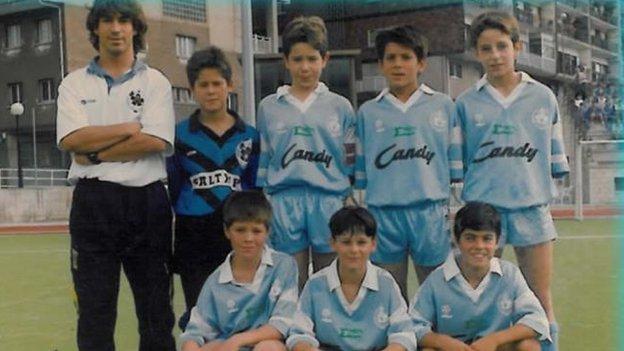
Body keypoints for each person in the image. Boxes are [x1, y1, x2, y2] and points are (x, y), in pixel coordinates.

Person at [55, 0, 175, 349]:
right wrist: (128, 127)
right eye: (106, 20)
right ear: (95, 29)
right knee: (94, 312)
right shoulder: (74, 83)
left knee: (155, 312)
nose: (116, 28)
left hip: (146, 203)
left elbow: (155, 140)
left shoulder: (156, 82)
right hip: (93, 204)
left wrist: (94, 152)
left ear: (136, 27)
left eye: (124, 20)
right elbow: (70, 139)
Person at [455, 11, 569, 351]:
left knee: (538, 297)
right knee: (479, 299)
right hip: (482, 213)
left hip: (531, 208)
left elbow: (554, 162)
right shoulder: (466, 103)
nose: (495, 55)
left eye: (502, 46)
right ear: (476, 53)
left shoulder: (543, 97)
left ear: (516, 47)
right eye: (486, 48)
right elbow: (459, 162)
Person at [354, 25, 462, 296]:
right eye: (390, 58)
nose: (398, 64)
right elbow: (361, 170)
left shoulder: (443, 106)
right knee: (390, 297)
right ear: (380, 64)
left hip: (430, 213)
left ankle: (435, 339)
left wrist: (455, 204)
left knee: (437, 293)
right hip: (384, 215)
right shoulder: (368, 112)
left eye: (406, 57)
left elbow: (455, 164)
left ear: (421, 63)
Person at [255, 16, 356, 290]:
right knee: (291, 283)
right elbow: (265, 156)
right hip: (284, 201)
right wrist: (263, 195)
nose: (305, 67)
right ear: (286, 61)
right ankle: (292, 333)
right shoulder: (269, 106)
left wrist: (349, 193)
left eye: (312, 59)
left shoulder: (341, 106)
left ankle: (327, 333)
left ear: (325, 59)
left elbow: (350, 158)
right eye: (297, 59)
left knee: (331, 283)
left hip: (329, 201)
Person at [167, 46, 260, 330]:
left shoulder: (249, 136)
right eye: (203, 85)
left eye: (217, 83)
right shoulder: (179, 135)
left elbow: (254, 187)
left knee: (241, 308)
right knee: (199, 311)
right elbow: (173, 185)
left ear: (229, 85)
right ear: (192, 88)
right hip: (193, 232)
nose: (211, 91)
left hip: (236, 232)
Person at [410, 202, 550, 351]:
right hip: (453, 348)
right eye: (470, 238)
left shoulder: (510, 275)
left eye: (487, 239)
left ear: (497, 242)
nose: (479, 246)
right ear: (457, 240)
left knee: (529, 346)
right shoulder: (437, 280)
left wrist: (495, 340)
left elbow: (537, 320)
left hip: (493, 347)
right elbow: (413, 324)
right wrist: (444, 342)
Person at [180, 190, 298, 351]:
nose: (248, 238)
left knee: (267, 347)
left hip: (268, 343)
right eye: (240, 230)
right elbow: (196, 332)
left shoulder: (284, 266)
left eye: (256, 231)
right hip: (227, 346)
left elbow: (281, 324)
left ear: (267, 231)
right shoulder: (215, 281)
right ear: (227, 231)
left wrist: (237, 340)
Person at [287, 206, 416, 351]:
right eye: (346, 242)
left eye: (361, 242)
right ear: (333, 243)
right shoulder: (315, 284)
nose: (354, 250)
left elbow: (404, 334)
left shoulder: (387, 283)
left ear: (373, 244)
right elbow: (298, 335)